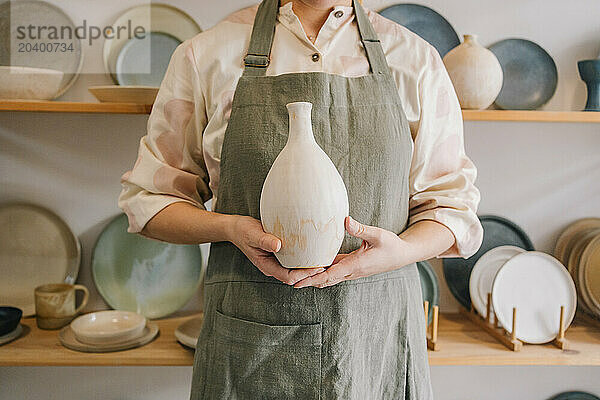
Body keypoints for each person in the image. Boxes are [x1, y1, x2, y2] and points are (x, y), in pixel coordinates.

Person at [118, 0, 483, 398]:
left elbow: (453, 211)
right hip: (250, 343)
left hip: (376, 345)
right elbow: (150, 202)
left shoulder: (414, 60)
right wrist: (229, 228)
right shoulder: (208, 54)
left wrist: (399, 251)